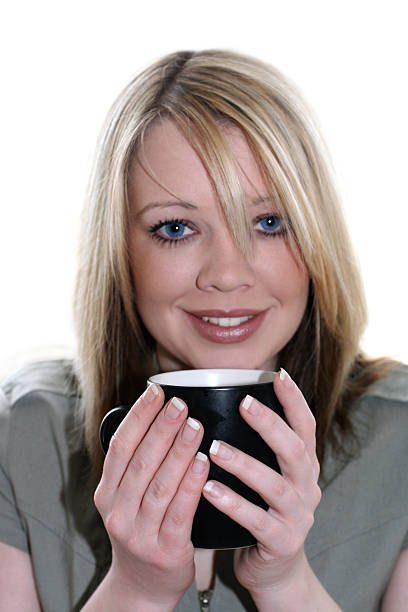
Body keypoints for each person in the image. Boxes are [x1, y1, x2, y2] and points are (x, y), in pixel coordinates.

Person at [0, 49, 407, 612]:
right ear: (120, 251)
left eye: (269, 222)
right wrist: (136, 591)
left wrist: (286, 583)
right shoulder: (23, 435)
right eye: (175, 227)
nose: (227, 275)